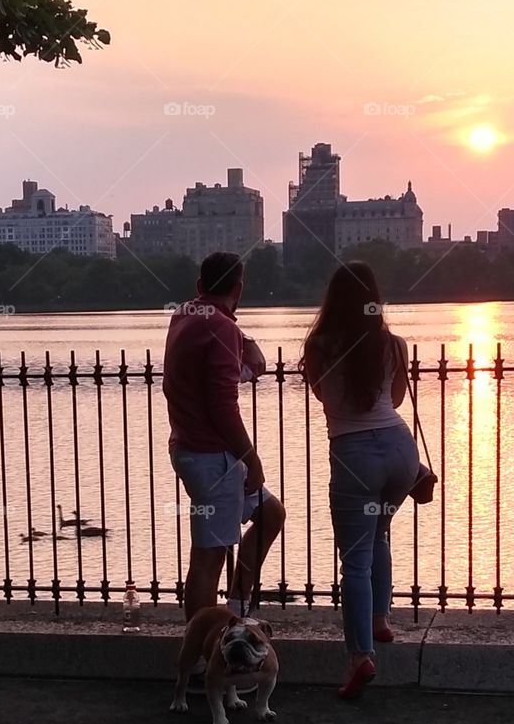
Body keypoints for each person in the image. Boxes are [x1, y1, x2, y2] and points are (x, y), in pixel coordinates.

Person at [300, 261, 424, 700]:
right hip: (399, 451)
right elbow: (394, 398)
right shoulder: (393, 344)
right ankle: (380, 618)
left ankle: (360, 657)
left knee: (354, 560)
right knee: (380, 534)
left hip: (355, 455)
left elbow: (321, 393)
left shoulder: (318, 347)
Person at [163, 251, 285, 621]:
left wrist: (241, 337)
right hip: (213, 458)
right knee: (208, 556)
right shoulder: (221, 328)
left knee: (270, 514)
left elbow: (220, 366)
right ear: (240, 288)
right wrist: (252, 457)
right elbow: (223, 407)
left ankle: (236, 609)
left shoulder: (184, 315)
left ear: (200, 286)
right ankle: (199, 653)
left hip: (191, 448)